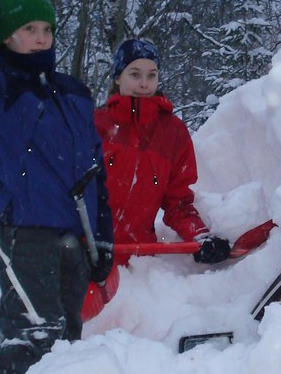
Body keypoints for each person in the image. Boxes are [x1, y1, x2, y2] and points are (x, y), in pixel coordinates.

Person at [0, 0, 113, 374]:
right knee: (36, 336)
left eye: (47, 29)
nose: (41, 36)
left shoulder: (73, 93)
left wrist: (103, 239)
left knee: (67, 340)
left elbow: (95, 170)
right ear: (5, 36)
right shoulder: (0, 89)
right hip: (27, 231)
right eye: (28, 27)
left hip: (75, 236)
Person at [95, 38, 230, 264]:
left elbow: (178, 202)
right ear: (118, 77)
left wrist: (200, 237)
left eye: (152, 75)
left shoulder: (173, 132)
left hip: (137, 263)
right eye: (135, 74)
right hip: (86, 256)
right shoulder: (95, 126)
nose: (144, 83)